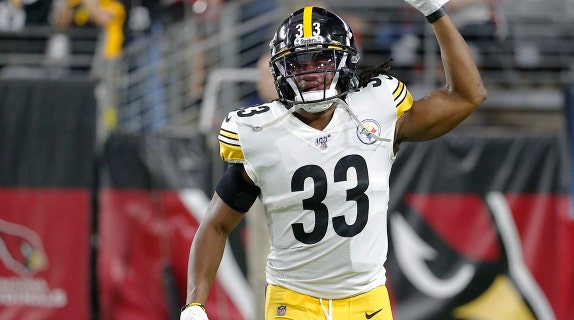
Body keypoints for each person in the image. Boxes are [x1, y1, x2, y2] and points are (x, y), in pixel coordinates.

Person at [181, 0, 487, 319]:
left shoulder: (375, 109)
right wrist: (194, 303)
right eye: (300, 63)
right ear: (281, 70)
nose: (311, 72)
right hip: (294, 301)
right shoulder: (261, 132)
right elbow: (215, 225)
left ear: (344, 61)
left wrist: (434, 12)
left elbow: (467, 95)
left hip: (367, 299)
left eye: (322, 60)